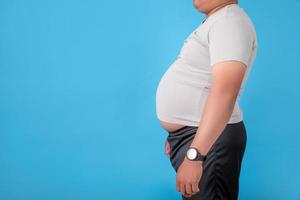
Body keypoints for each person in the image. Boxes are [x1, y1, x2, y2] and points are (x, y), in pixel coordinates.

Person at [155, 0, 258, 199]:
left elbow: (225, 92)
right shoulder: (217, 20)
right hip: (197, 136)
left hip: (209, 143)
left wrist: (195, 155)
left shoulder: (229, 22)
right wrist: (178, 130)